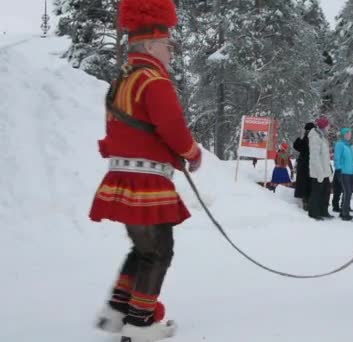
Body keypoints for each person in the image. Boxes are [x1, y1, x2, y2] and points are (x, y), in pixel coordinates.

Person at [89, 0, 201, 341]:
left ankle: (117, 311)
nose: (170, 53)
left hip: (123, 178)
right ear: (152, 45)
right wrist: (191, 153)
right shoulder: (153, 79)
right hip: (147, 182)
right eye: (167, 45)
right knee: (158, 251)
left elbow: (120, 132)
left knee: (143, 249)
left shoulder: (121, 80)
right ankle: (139, 324)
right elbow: (171, 126)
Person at [308, 116, 333, 220]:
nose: (329, 128)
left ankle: (324, 211)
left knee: (326, 192)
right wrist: (319, 173)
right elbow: (315, 157)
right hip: (318, 172)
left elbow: (325, 156)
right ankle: (314, 212)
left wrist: (329, 171)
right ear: (323, 126)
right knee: (317, 193)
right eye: (327, 126)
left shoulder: (322, 136)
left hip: (325, 170)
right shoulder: (315, 137)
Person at [334, 127, 353, 221]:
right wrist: (338, 169)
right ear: (343, 135)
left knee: (349, 192)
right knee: (347, 192)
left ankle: (343, 210)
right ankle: (345, 214)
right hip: (344, 172)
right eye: (347, 134)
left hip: (352, 172)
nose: (349, 135)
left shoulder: (351, 146)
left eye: (350, 133)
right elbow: (337, 158)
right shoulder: (340, 145)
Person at [293, 122, 315, 210]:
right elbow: (296, 146)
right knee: (304, 183)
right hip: (304, 164)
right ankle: (305, 201)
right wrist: (300, 138)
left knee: (310, 183)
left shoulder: (315, 139)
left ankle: (310, 200)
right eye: (307, 130)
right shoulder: (304, 139)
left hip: (312, 164)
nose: (308, 132)